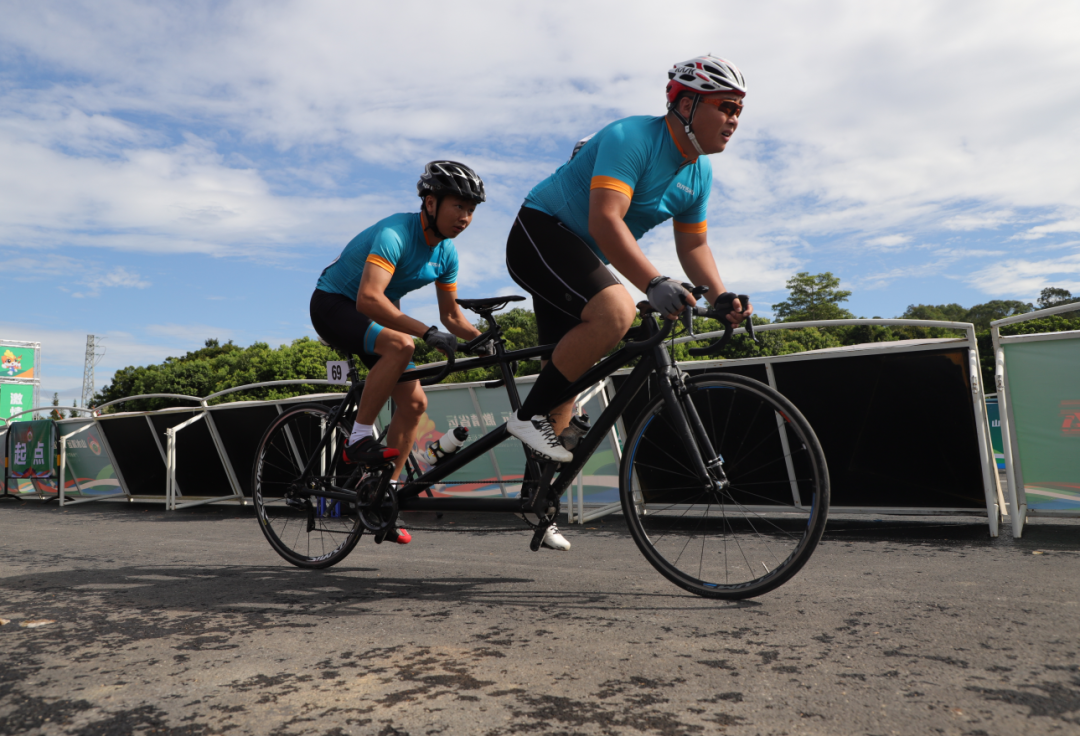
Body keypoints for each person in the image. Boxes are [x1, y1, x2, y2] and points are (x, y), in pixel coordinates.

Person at [504, 55, 754, 463]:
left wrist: (720, 297)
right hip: (541, 232)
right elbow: (605, 220)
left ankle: (540, 510)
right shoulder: (632, 136)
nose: (735, 120)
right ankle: (526, 417)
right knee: (616, 311)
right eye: (726, 106)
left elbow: (693, 247)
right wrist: (654, 284)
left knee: (563, 391)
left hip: (580, 257)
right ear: (687, 105)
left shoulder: (699, 173)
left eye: (739, 111)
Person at [310, 161, 486, 545]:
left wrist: (482, 340)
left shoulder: (446, 254)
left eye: (472, 210)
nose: (466, 217)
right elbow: (370, 298)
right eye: (458, 206)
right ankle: (356, 438)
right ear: (430, 203)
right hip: (334, 303)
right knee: (402, 344)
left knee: (416, 404)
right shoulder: (395, 233)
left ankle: (381, 497)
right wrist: (426, 333)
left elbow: (452, 315)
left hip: (372, 314)